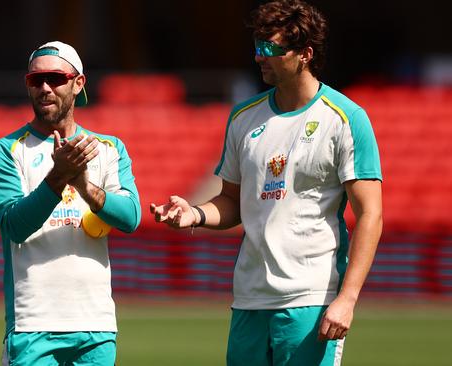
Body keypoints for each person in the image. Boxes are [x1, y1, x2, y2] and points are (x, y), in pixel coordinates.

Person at [150, 1, 382, 365]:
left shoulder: (346, 118)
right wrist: (193, 214)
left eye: (270, 49)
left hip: (311, 299)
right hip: (249, 299)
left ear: (305, 54)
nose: (260, 57)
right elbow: (231, 202)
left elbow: (370, 214)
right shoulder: (243, 117)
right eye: (257, 47)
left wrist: (347, 299)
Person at [0, 41, 141, 366]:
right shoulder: (5, 151)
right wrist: (58, 178)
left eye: (55, 78)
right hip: (33, 324)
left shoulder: (109, 148)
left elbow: (130, 217)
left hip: (95, 325)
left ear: (78, 82)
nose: (44, 88)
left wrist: (83, 184)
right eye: (35, 80)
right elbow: (15, 226)